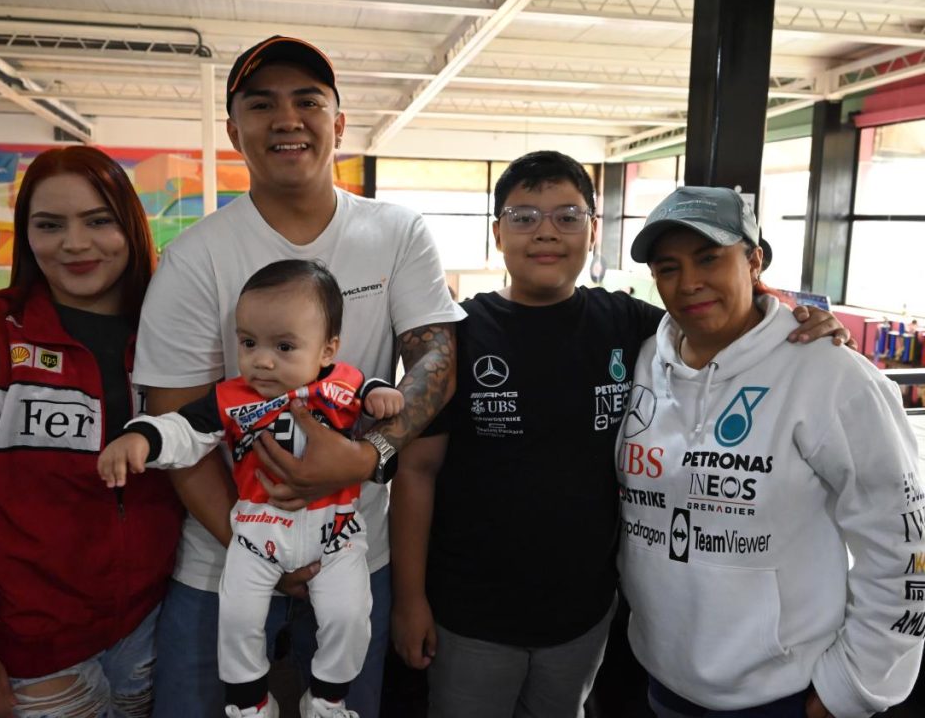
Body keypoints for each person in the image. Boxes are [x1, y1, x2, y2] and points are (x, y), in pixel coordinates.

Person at [389, 152, 853, 718]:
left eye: (567, 217)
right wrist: (409, 599)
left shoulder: (630, 324)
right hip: (470, 614)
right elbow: (416, 472)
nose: (546, 233)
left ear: (593, 232)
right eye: (524, 217)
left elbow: (717, 317)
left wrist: (794, 316)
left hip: (585, 614)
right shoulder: (460, 335)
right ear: (497, 234)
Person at [134, 35, 463, 718]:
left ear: (338, 124)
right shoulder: (195, 258)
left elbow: (436, 361)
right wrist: (257, 549)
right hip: (222, 558)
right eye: (262, 105)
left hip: (352, 548)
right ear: (234, 132)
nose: (287, 119)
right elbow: (178, 425)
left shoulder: (396, 232)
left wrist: (367, 456)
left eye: (307, 101)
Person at [618, 186, 925, 718]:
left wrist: (852, 687)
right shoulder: (644, 360)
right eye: (668, 268)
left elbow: (905, 541)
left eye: (709, 259)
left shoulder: (831, 375)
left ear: (754, 260)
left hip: (783, 695)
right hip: (663, 680)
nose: (688, 282)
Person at [0, 145, 182, 718]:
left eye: (98, 221)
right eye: (50, 225)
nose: (74, 244)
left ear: (130, 228)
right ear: (26, 236)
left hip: (151, 628)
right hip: (26, 650)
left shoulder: (173, 333)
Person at [100, 259, 404, 717]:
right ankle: (249, 703)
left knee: (349, 615)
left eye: (284, 346)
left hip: (335, 532)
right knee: (238, 617)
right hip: (257, 531)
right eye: (248, 343)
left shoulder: (342, 384)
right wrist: (142, 437)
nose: (261, 360)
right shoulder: (230, 398)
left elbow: (371, 395)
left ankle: (327, 698)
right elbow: (184, 429)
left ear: (327, 350)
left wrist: (381, 394)